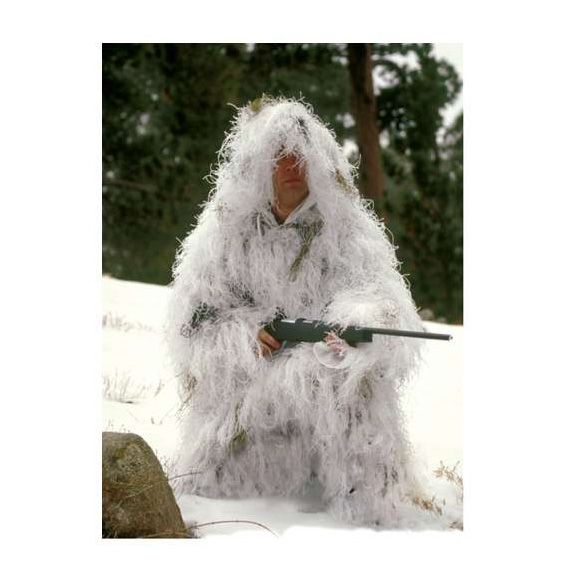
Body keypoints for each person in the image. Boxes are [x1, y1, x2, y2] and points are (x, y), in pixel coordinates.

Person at [166, 96, 430, 528]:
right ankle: (233, 509)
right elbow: (193, 322)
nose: (292, 166)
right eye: (279, 156)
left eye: (300, 155)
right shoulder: (225, 232)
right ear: (259, 165)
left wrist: (353, 325)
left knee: (353, 386)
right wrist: (248, 336)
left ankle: (360, 517)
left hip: (324, 381)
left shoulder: (348, 231)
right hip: (248, 388)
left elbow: (385, 303)